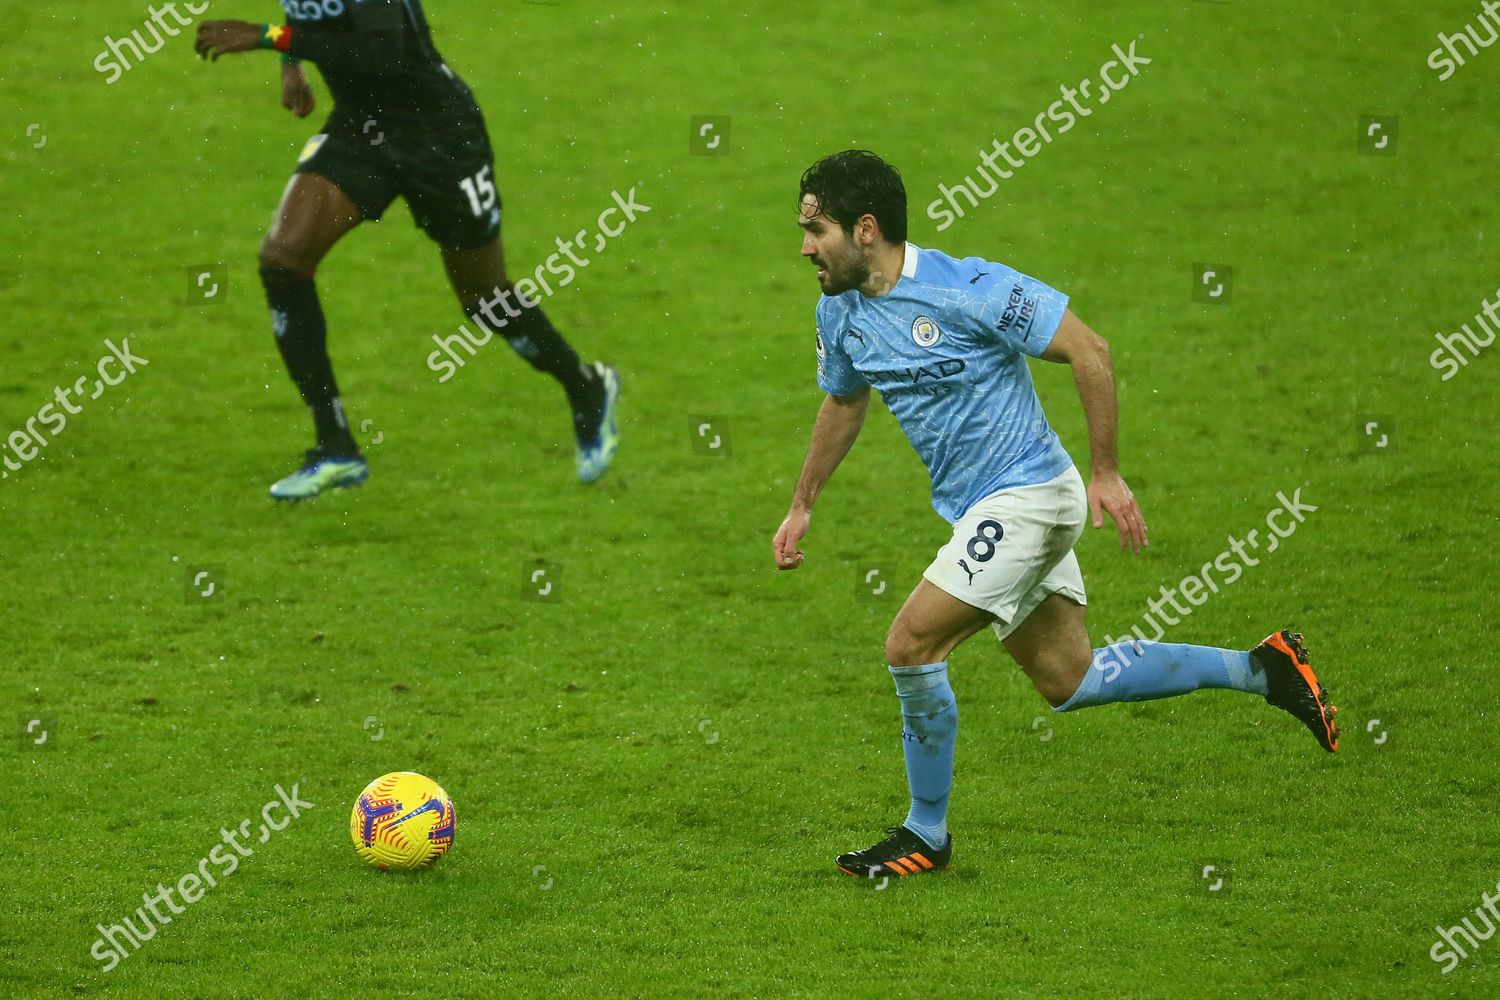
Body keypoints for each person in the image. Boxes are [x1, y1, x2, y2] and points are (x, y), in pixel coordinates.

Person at [772, 150, 1339, 881]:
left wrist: (1106, 472)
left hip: (1031, 497)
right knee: (1069, 679)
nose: (805, 246)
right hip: (989, 510)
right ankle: (1264, 669)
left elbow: (1088, 349)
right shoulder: (839, 312)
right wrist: (802, 504)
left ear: (868, 229)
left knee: (910, 645)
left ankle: (926, 834)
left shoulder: (969, 288)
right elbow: (845, 402)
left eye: (817, 230)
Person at [195, 2, 619, 500]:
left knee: (484, 300)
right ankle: (336, 447)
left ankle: (587, 387)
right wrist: (292, 67)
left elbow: (383, 53)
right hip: (363, 128)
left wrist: (270, 38)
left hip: (438, 135)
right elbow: (304, 10)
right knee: (283, 261)